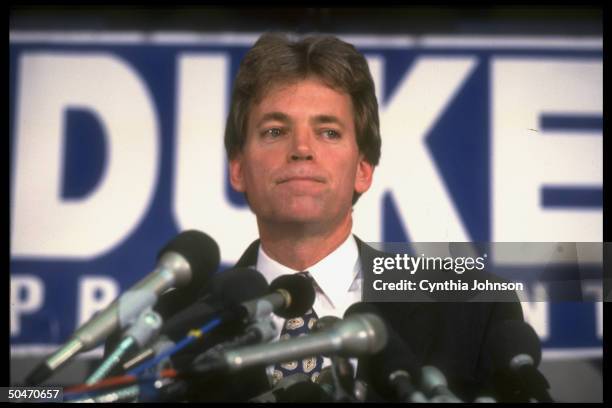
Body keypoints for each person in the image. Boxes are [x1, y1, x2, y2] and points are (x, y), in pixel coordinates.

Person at [218, 32, 524, 402]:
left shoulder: (473, 309)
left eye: (328, 132)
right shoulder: (179, 327)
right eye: (275, 131)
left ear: (363, 168)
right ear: (238, 167)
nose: (301, 149)